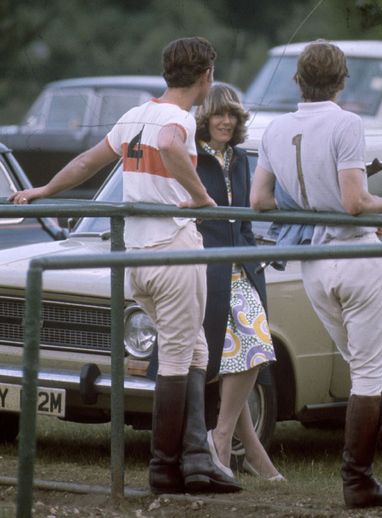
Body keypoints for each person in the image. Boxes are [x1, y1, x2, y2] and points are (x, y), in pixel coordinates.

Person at [10, 37, 241, 495]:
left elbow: (86, 161)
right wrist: (201, 197)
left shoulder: (135, 115)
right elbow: (173, 146)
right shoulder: (176, 119)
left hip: (137, 256)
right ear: (205, 76)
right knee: (179, 355)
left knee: (193, 349)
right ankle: (163, 467)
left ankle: (195, 462)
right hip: (172, 248)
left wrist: (43, 190)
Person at [250, 39, 382, 508]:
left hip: (314, 261)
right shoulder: (347, 123)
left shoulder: (275, 128)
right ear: (342, 80)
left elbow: (260, 201)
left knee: (360, 365)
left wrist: (309, 200)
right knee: (369, 374)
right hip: (356, 254)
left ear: (298, 79)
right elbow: (355, 201)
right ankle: (356, 478)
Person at [195, 84, 284, 481]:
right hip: (208, 269)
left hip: (241, 267)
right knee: (245, 352)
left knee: (253, 348)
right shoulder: (193, 156)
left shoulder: (242, 157)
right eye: (218, 114)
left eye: (232, 115)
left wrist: (251, 256)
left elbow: (246, 218)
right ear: (205, 118)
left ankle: (225, 439)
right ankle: (245, 450)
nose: (226, 121)